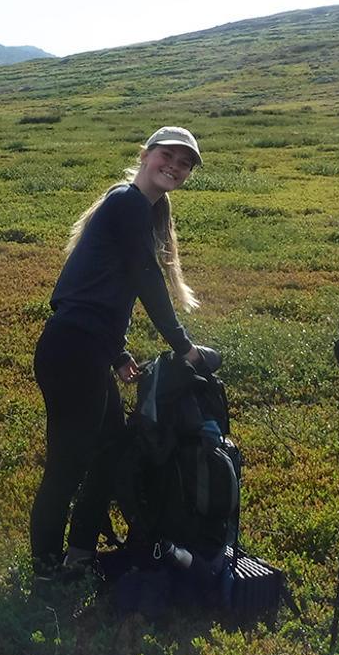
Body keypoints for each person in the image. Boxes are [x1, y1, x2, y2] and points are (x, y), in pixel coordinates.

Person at [29, 126, 206, 571]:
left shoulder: (138, 207)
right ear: (145, 155)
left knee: (111, 450)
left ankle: (80, 553)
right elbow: (145, 278)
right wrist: (183, 345)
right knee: (68, 464)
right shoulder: (127, 202)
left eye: (184, 163)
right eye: (168, 155)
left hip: (83, 348)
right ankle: (46, 567)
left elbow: (103, 289)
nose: (176, 167)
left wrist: (117, 351)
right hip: (73, 350)